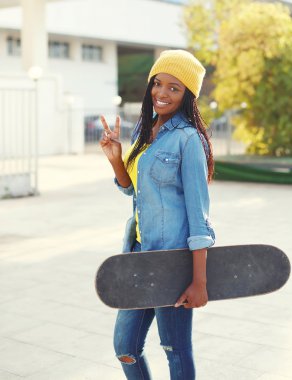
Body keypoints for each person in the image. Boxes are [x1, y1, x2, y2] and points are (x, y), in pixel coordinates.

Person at [100, 49, 215, 380]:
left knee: (175, 350)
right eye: (158, 83)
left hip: (172, 261)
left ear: (187, 95)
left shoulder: (188, 140)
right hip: (138, 255)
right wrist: (115, 159)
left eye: (174, 88)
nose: (162, 93)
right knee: (125, 347)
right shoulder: (143, 130)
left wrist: (199, 282)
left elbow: (198, 216)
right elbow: (132, 190)